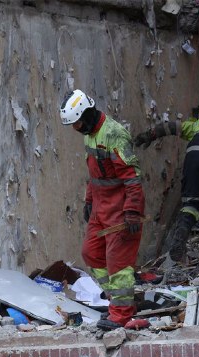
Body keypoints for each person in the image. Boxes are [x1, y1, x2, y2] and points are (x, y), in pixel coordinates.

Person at [60, 89, 145, 330]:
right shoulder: (89, 134)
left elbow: (132, 176)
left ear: (87, 114)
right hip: (100, 206)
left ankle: (122, 313)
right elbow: (94, 174)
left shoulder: (115, 134)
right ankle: (118, 300)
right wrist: (89, 201)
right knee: (91, 253)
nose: (76, 129)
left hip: (120, 208)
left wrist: (132, 210)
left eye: (77, 123)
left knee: (118, 261)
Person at [133, 107, 199, 261]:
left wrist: (149, 135)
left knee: (191, 204)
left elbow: (171, 127)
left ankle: (179, 241)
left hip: (193, 155)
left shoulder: (196, 125)